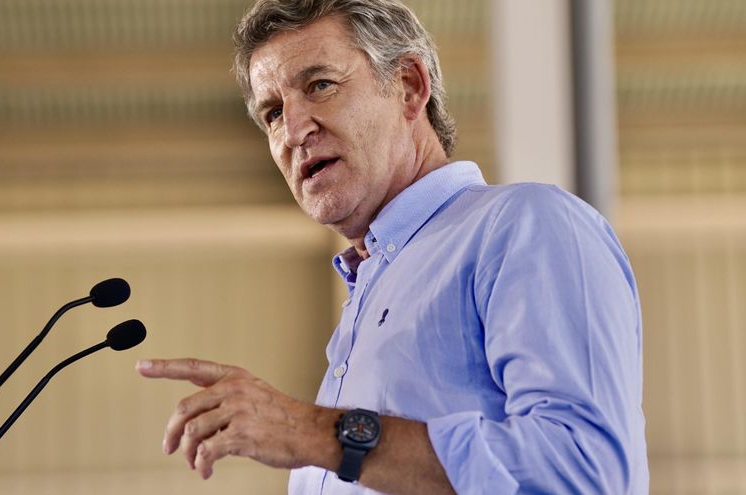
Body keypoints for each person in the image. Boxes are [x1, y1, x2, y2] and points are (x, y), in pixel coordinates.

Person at [136, 0, 649, 493]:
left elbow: (584, 471)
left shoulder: (523, 224)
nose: (292, 131)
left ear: (408, 87)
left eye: (320, 85)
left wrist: (312, 432)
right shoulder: (368, 299)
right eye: (272, 113)